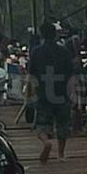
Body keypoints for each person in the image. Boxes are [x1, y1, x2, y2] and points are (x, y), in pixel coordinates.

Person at [27, 22, 76, 163]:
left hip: (43, 92)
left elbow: (31, 75)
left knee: (42, 124)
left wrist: (29, 93)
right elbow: (71, 74)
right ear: (55, 34)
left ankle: (46, 142)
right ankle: (60, 154)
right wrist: (73, 93)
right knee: (63, 124)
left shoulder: (36, 51)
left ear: (41, 35)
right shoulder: (64, 51)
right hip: (62, 93)